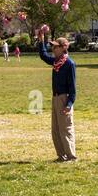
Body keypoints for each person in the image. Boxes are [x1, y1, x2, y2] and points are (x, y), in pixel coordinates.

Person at [35, 25, 77, 162]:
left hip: (64, 99)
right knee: (56, 129)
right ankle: (61, 155)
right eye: (52, 47)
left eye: (55, 47)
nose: (53, 49)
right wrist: (41, 40)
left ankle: (71, 156)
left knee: (65, 128)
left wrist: (69, 104)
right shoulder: (56, 62)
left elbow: (72, 87)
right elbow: (43, 55)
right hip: (55, 97)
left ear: (63, 47)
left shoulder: (69, 64)